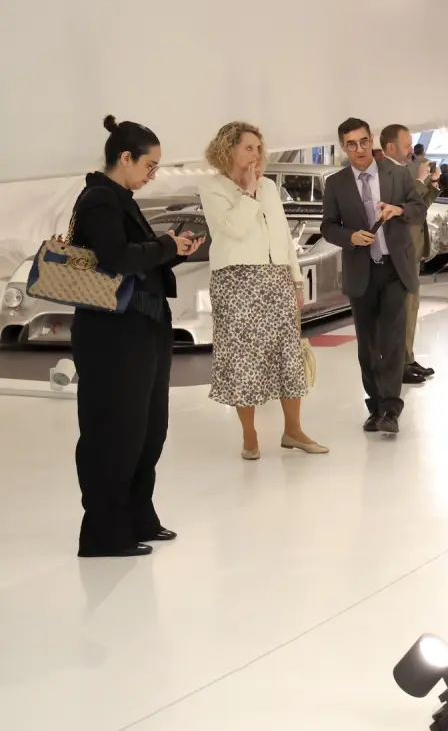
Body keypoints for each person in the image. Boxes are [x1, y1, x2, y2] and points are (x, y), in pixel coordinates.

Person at [71, 116, 205, 557]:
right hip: (112, 335)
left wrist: (173, 250)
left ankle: (136, 517)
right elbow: (115, 258)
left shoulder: (120, 199)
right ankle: (104, 533)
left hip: (141, 327)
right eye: (150, 165)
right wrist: (166, 245)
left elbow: (137, 260)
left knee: (148, 430)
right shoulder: (99, 199)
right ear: (125, 158)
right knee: (115, 433)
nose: (153, 175)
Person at [199, 121, 326, 461]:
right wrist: (250, 191)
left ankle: (293, 430)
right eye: (248, 147)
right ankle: (249, 434)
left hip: (276, 277)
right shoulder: (212, 187)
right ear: (229, 149)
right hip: (235, 281)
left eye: (258, 148)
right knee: (244, 359)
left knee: (288, 354)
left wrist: (296, 280)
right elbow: (235, 229)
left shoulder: (269, 186)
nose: (256, 154)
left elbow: (282, 235)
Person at [319, 118, 428, 435]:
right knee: (367, 346)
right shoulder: (336, 183)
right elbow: (328, 226)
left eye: (364, 141)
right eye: (352, 144)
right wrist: (350, 237)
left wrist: (399, 210)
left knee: (392, 341)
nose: (359, 149)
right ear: (344, 147)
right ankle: (375, 407)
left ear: (372, 140)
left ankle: (391, 410)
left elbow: (418, 208)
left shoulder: (397, 174)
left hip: (395, 269)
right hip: (361, 272)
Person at [380, 123, 437, 384]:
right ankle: (399, 363)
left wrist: (430, 185)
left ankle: (408, 357)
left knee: (411, 306)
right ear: (391, 147)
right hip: (398, 251)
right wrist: (419, 182)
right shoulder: (384, 173)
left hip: (410, 249)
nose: (411, 150)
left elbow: (417, 209)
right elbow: (398, 209)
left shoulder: (402, 171)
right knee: (403, 308)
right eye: (407, 145)